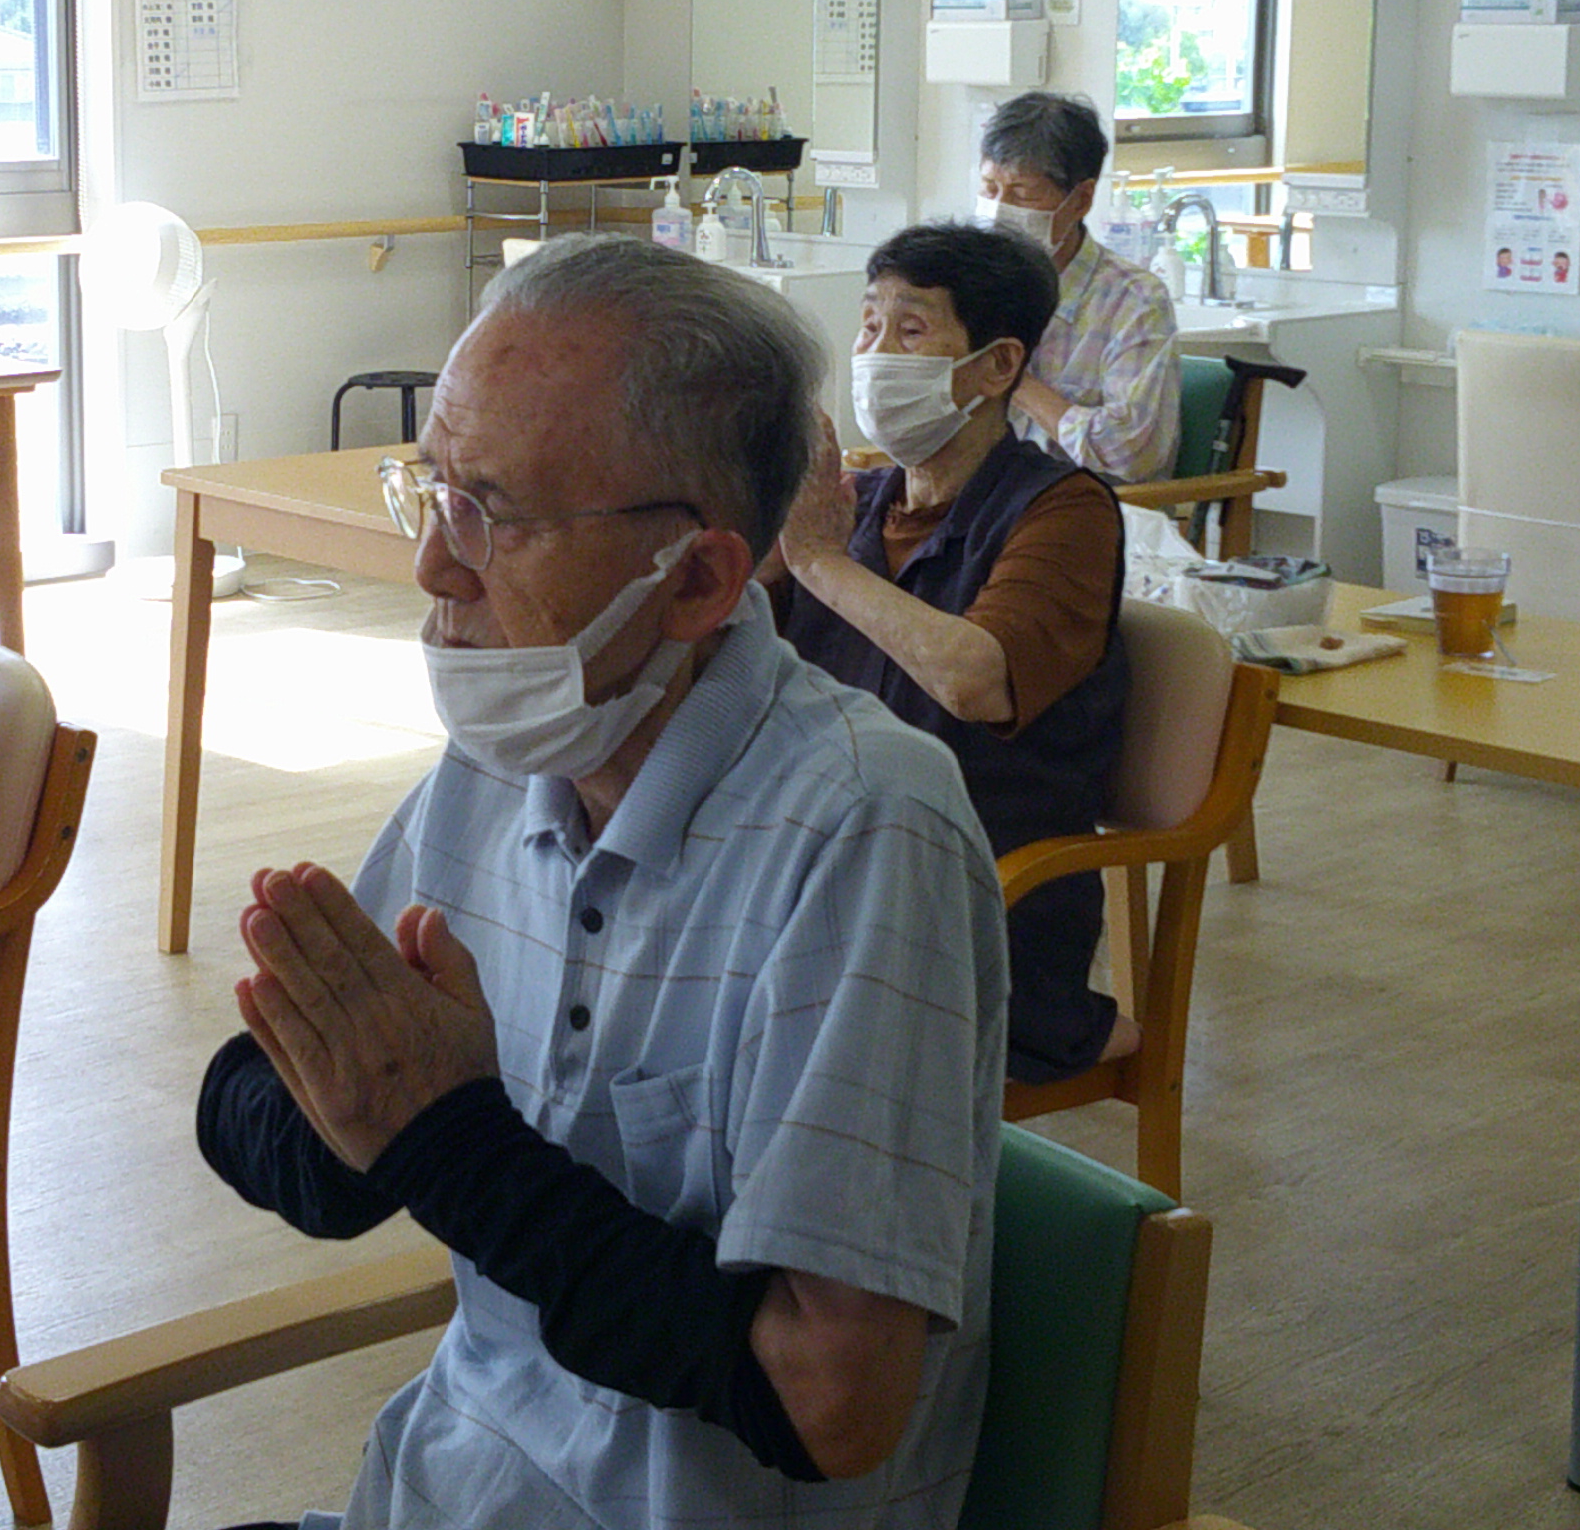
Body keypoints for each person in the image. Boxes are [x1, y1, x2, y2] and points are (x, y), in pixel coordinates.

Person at [199, 235, 1006, 1524]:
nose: (435, 566)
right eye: (433, 490)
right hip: (436, 1488)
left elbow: (829, 1399)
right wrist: (349, 1116)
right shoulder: (509, 757)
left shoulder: (863, 829)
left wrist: (440, 1140)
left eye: (496, 512)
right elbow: (286, 1108)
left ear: (696, 578)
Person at [771, 222, 1140, 1084]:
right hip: (833, 868)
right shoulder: (856, 502)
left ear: (998, 366)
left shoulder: (1064, 511)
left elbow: (979, 679)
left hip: (975, 912)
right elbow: (727, 645)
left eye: (910, 330)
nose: (875, 353)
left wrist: (818, 561)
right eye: (868, 326)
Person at [972, 90, 1181, 483]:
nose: (999, 210)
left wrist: (1013, 380)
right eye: (989, 188)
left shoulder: (1134, 302)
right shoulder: (966, 283)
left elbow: (1131, 453)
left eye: (1022, 194)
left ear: (1081, 199)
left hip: (1083, 506)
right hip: (979, 502)